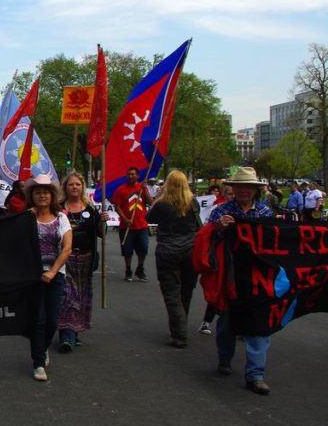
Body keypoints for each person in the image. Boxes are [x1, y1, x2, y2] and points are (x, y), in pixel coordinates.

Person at [206, 166, 275, 395]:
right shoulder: (221, 211)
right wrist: (220, 228)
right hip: (231, 274)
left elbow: (275, 244)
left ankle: (255, 374)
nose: (244, 190)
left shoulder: (265, 213)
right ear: (233, 189)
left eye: (248, 187)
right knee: (227, 320)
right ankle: (224, 358)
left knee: (258, 325)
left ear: (256, 190)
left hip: (258, 275)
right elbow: (206, 239)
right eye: (239, 186)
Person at [145, 170, 201, 348]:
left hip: (168, 250)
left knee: (171, 293)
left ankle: (179, 333)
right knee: (186, 290)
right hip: (190, 250)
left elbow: (149, 218)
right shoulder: (192, 203)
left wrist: (156, 198)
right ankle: (180, 325)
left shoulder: (162, 204)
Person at [26, 174, 72, 382]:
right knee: (38, 320)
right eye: (38, 192)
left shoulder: (61, 218)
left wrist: (53, 271)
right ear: (32, 195)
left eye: (46, 192)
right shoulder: (26, 218)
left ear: (52, 196)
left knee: (52, 321)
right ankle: (37, 363)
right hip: (33, 277)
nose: (42, 195)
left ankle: (43, 348)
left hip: (55, 275)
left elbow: (67, 248)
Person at [57, 172, 105, 353]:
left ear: (82, 187)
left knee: (81, 295)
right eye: (71, 184)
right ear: (65, 187)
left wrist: (103, 222)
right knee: (67, 294)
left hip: (85, 258)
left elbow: (100, 233)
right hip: (65, 258)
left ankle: (75, 329)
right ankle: (66, 333)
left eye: (78, 184)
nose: (74, 187)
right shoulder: (59, 208)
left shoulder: (91, 209)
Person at [111, 167, 153, 282]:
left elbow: (150, 202)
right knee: (127, 250)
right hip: (126, 226)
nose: (130, 176)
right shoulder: (121, 190)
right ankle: (128, 269)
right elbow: (117, 206)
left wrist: (145, 190)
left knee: (143, 248)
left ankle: (140, 268)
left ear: (137, 176)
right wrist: (125, 219)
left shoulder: (142, 188)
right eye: (128, 174)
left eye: (133, 174)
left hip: (142, 225)